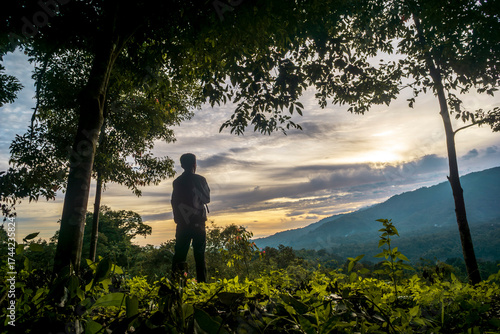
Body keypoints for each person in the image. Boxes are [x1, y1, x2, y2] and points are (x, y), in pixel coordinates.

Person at [171, 153, 210, 283]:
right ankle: (202, 285)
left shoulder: (177, 182)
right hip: (198, 223)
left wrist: (177, 218)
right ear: (195, 164)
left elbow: (174, 201)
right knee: (200, 256)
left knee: (180, 255)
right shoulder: (200, 180)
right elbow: (207, 199)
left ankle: (176, 284)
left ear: (182, 165)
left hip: (183, 223)